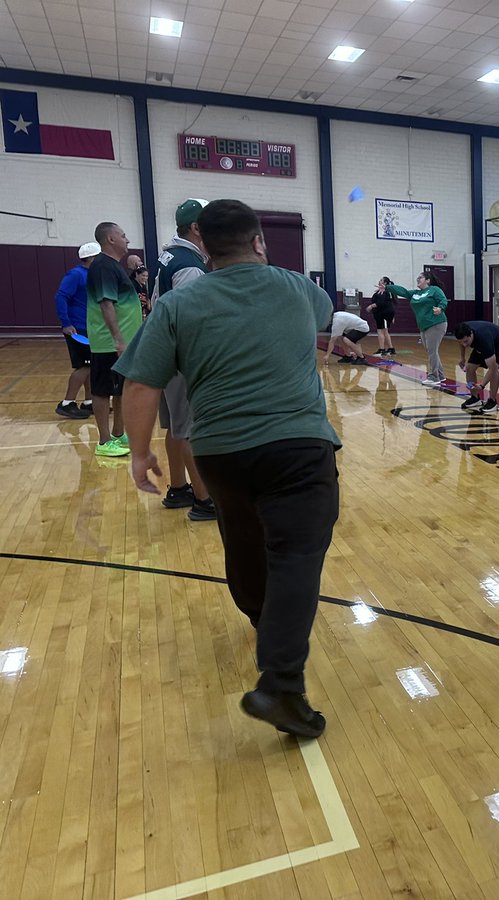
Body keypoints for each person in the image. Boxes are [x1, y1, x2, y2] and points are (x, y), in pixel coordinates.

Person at [115, 199, 341, 739]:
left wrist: (141, 453)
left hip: (219, 452)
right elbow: (321, 318)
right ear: (259, 241)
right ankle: (281, 684)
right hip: (298, 446)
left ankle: (266, 622)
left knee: (242, 541)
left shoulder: (177, 303)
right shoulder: (300, 290)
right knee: (296, 555)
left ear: (205, 248)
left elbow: (142, 383)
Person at [151, 198, 216, 521]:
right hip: (182, 358)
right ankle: (205, 501)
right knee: (192, 429)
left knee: (177, 427)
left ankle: (179, 488)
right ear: (196, 228)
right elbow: (191, 321)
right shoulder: (190, 265)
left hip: (164, 353)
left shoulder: (170, 256)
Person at [86, 221, 143, 457]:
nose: (127, 240)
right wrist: (118, 339)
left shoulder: (114, 266)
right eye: (123, 235)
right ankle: (103, 441)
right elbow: (106, 304)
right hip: (108, 344)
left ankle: (118, 434)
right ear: (110, 239)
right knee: (102, 390)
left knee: (120, 389)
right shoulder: (103, 266)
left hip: (122, 344)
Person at [53, 241, 99, 419]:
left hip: (88, 327)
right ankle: (67, 403)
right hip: (77, 328)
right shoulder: (76, 275)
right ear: (92, 258)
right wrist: (66, 323)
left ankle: (89, 402)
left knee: (90, 365)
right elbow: (61, 296)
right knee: (84, 366)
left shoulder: (89, 275)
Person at [387, 271, 448, 385]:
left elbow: (443, 300)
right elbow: (403, 291)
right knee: (430, 351)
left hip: (436, 323)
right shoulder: (415, 293)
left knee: (432, 351)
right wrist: (388, 287)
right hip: (424, 326)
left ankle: (434, 377)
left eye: (420, 278)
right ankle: (440, 375)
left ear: (428, 280)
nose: (418, 279)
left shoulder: (434, 289)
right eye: (417, 278)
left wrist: (440, 308)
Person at [454, 320, 499, 415]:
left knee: (494, 368)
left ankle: (492, 401)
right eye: (462, 342)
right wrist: (462, 358)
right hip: (483, 340)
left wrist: (482, 385)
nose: (465, 345)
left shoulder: (484, 340)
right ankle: (475, 398)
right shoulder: (464, 332)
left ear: (471, 334)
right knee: (470, 368)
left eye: (466, 341)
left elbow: (492, 368)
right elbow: (462, 342)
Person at [365, 277, 396, 356]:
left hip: (384, 314)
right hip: (381, 314)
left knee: (381, 331)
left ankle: (382, 350)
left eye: (381, 280)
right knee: (385, 331)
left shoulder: (384, 292)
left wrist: (371, 306)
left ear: (385, 283)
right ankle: (391, 349)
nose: (379, 281)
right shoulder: (379, 292)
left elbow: (381, 303)